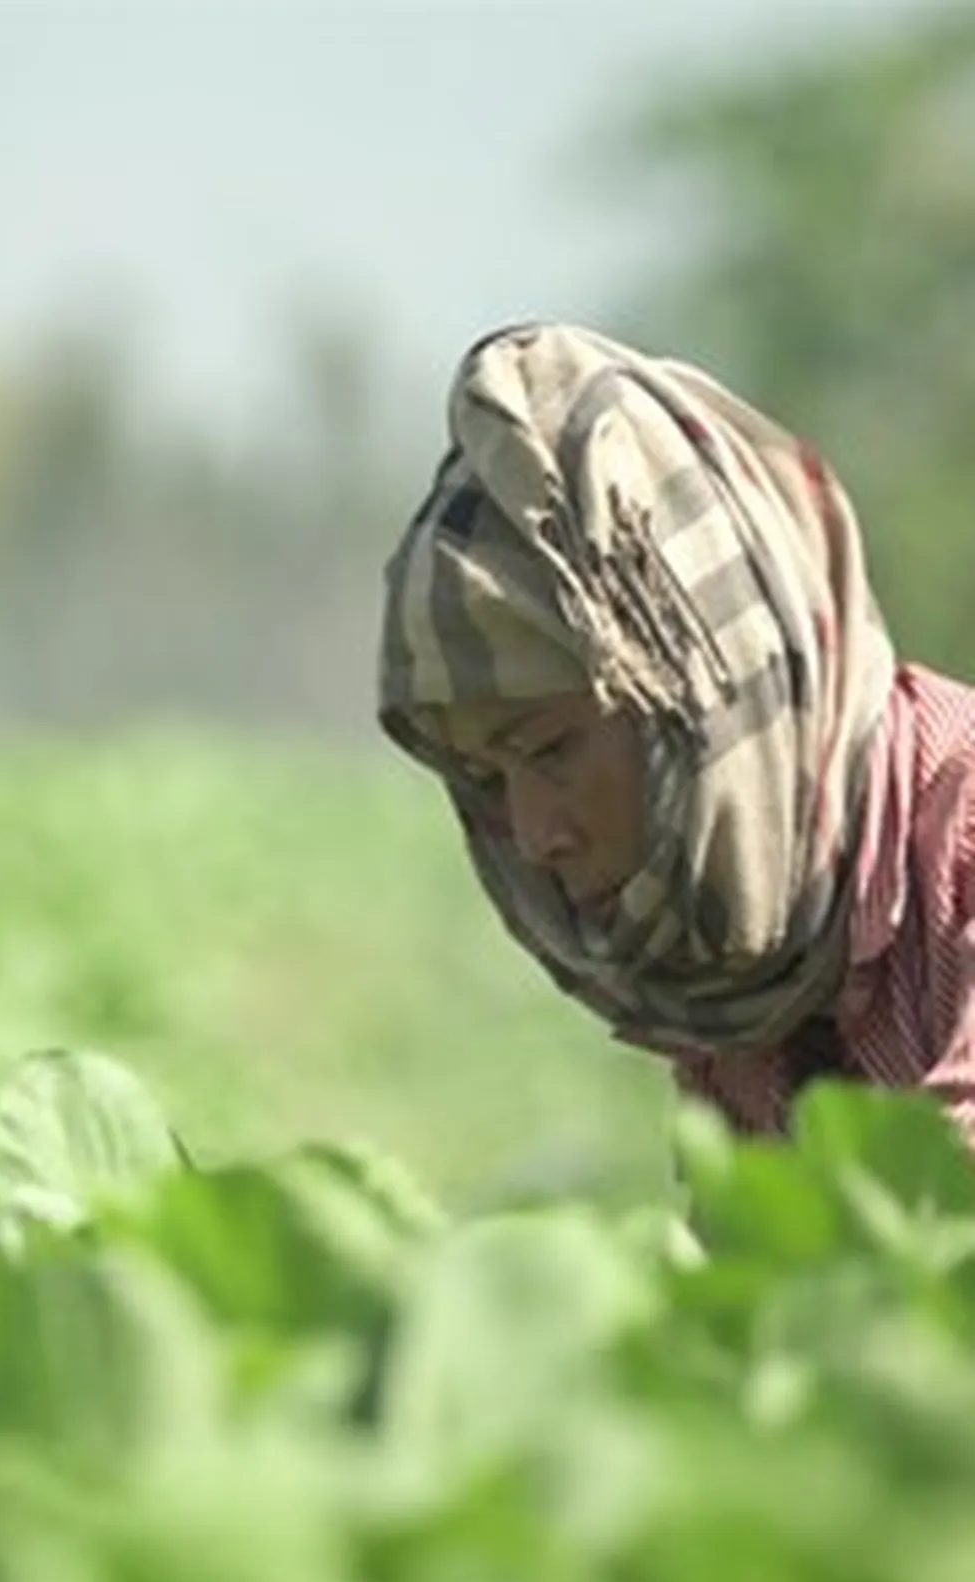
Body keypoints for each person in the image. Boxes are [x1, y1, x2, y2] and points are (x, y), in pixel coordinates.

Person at [376, 320, 975, 1140]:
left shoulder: (960, 836)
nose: (534, 835)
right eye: (488, 777)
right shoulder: (745, 968)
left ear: (708, 692)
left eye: (551, 751)